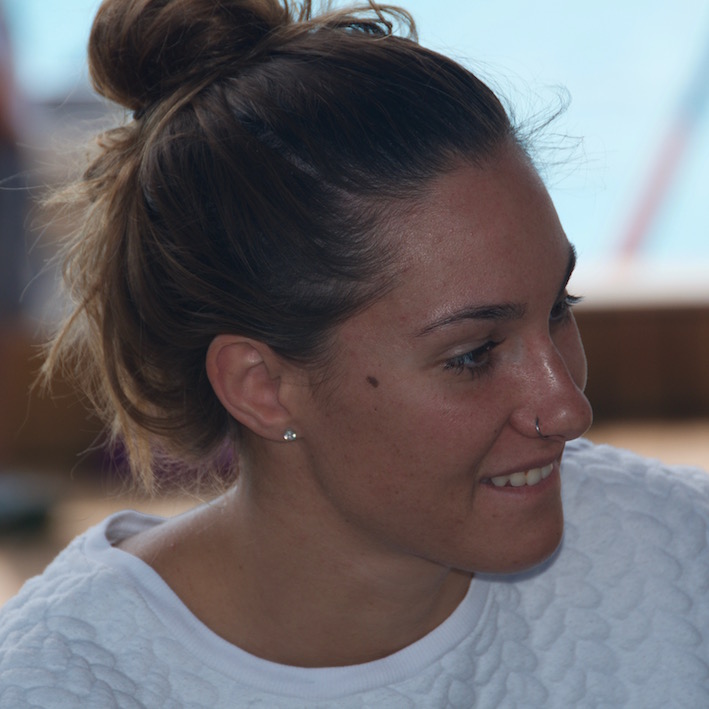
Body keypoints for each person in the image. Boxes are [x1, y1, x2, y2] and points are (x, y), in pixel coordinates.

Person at [0, 0, 707, 706]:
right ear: (260, 386)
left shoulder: (676, 557)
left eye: (558, 307)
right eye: (472, 355)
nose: (568, 408)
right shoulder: (65, 684)